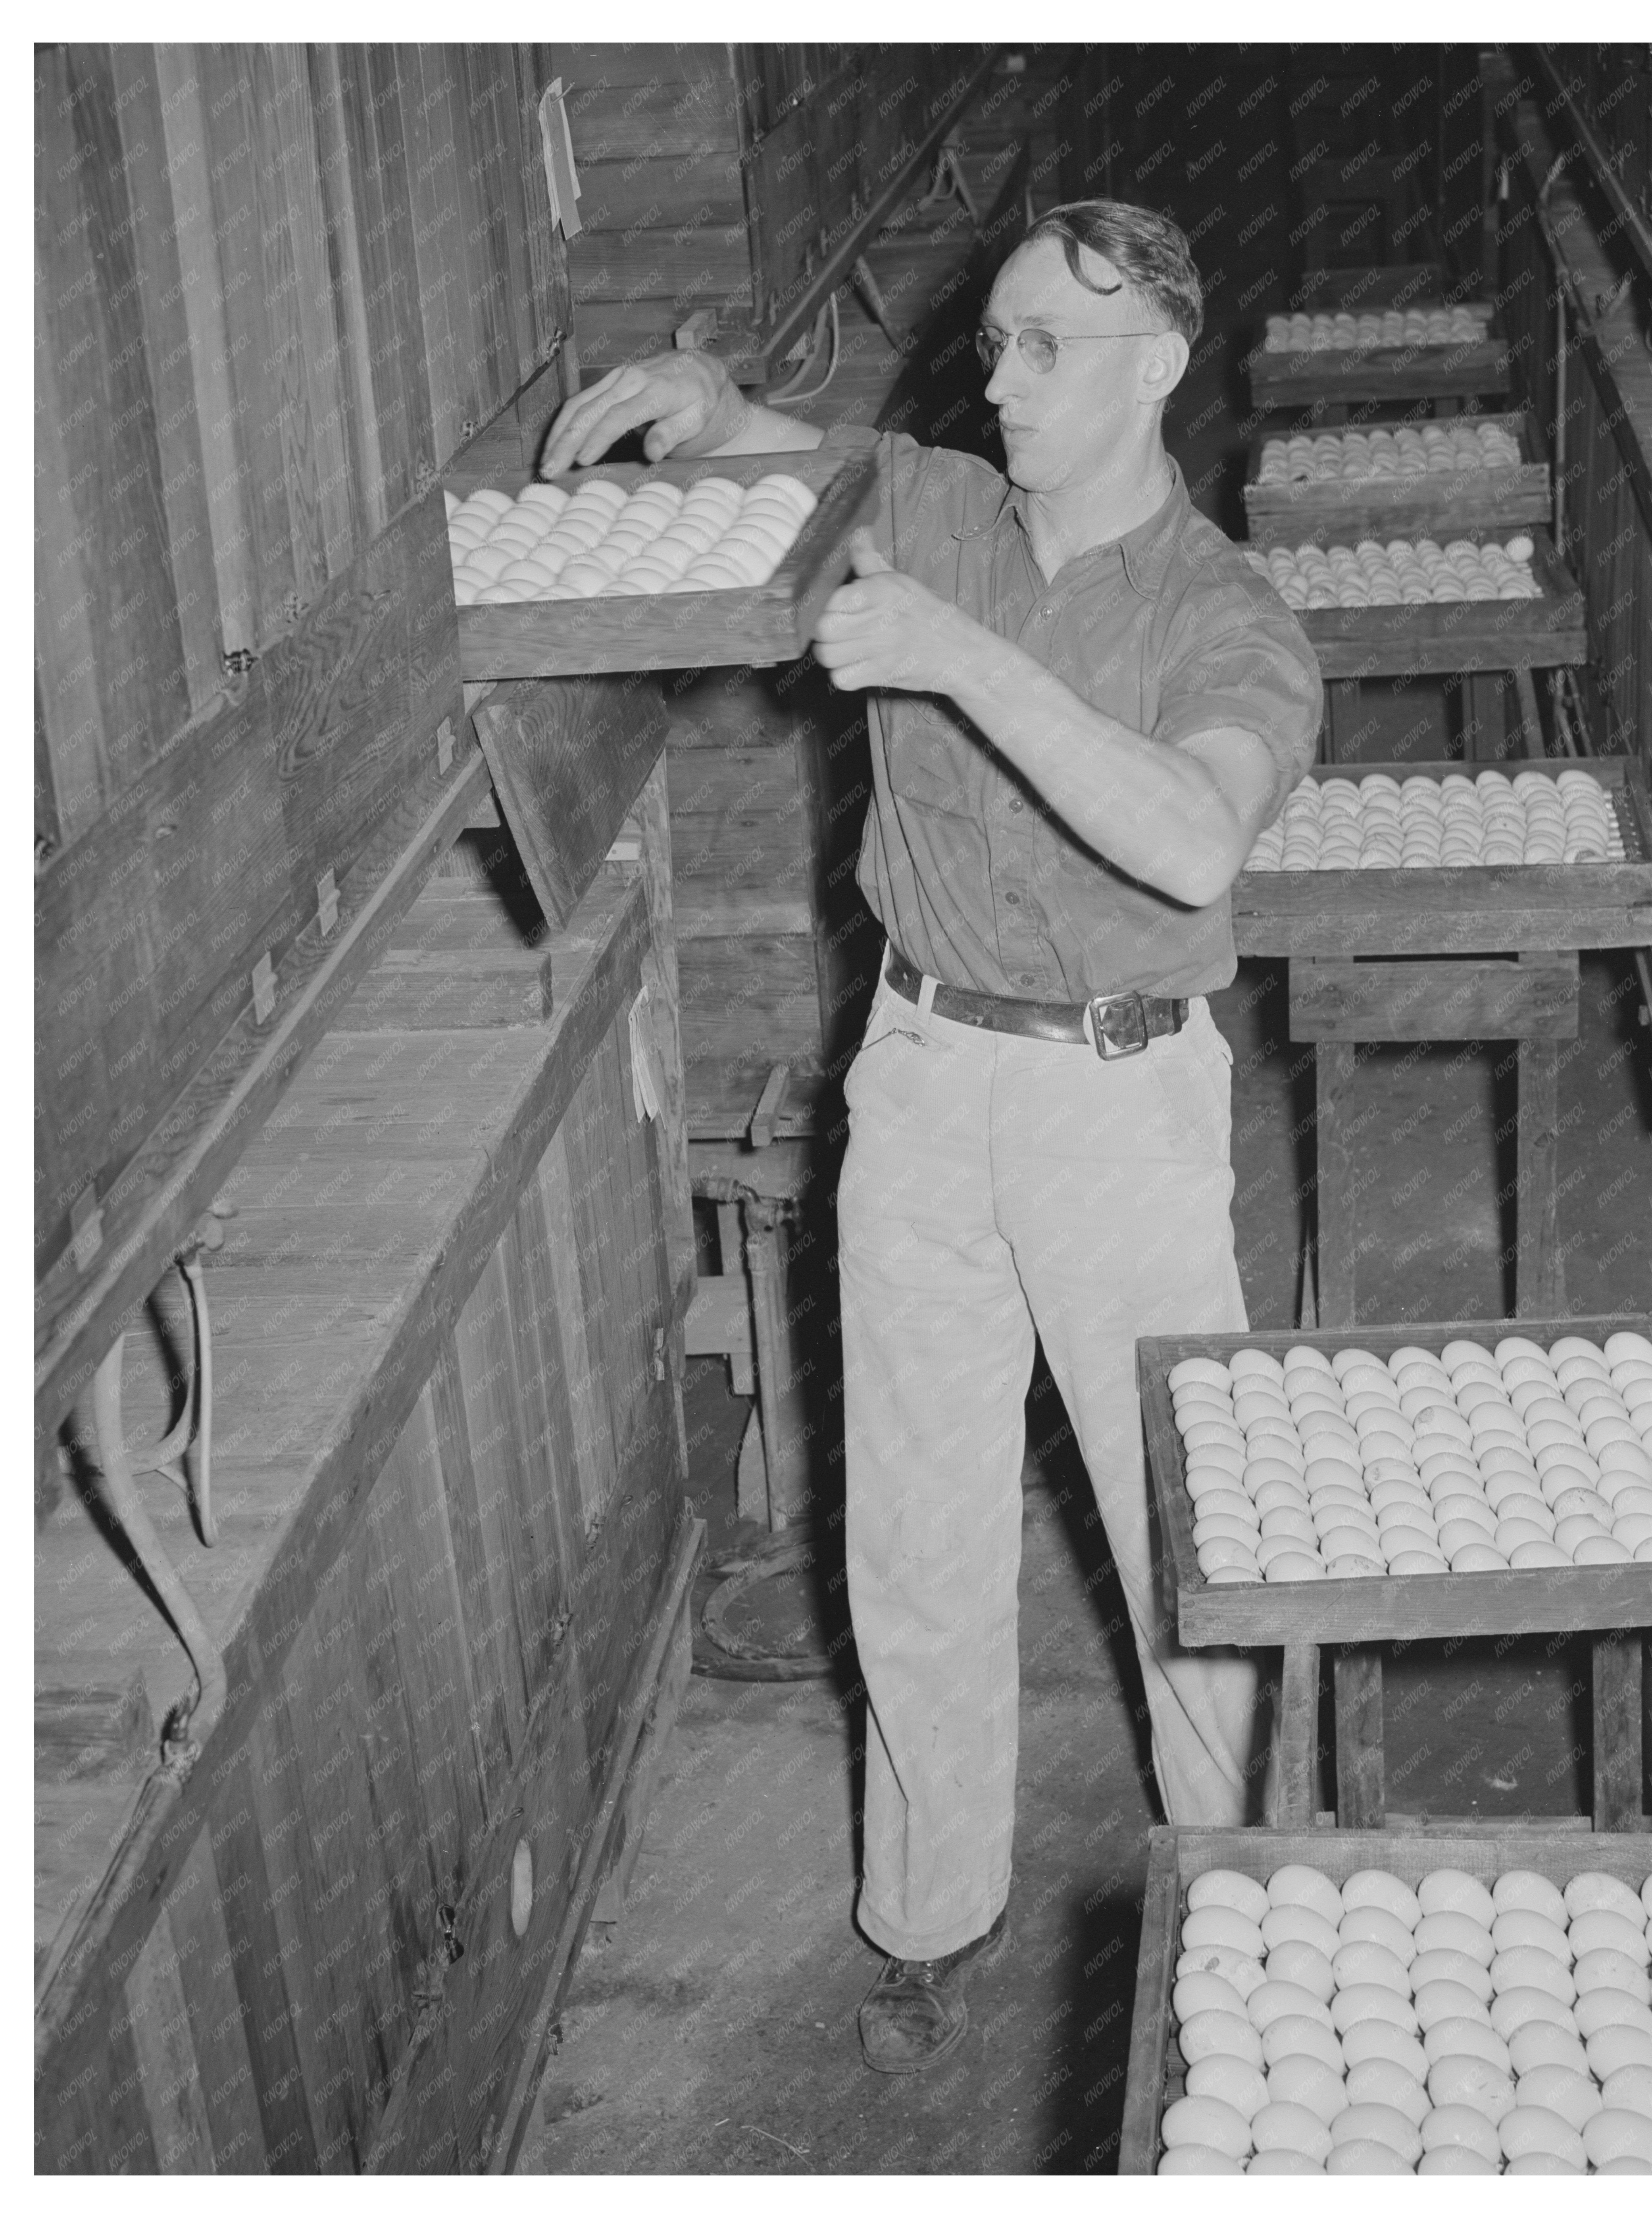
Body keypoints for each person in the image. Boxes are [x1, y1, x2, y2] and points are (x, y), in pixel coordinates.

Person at [542, 199, 1323, 2074]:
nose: (1004, 375)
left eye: (1049, 344)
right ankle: (928, 1915)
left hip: (1116, 1101)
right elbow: (760, 450)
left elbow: (1194, 840)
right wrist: (692, 389)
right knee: (913, 1531)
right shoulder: (929, 501)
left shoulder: (1230, 619)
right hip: (918, 1074)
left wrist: (963, 665)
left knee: (1186, 1540)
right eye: (993, 340)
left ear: (1158, 357)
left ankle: (1251, 1915)